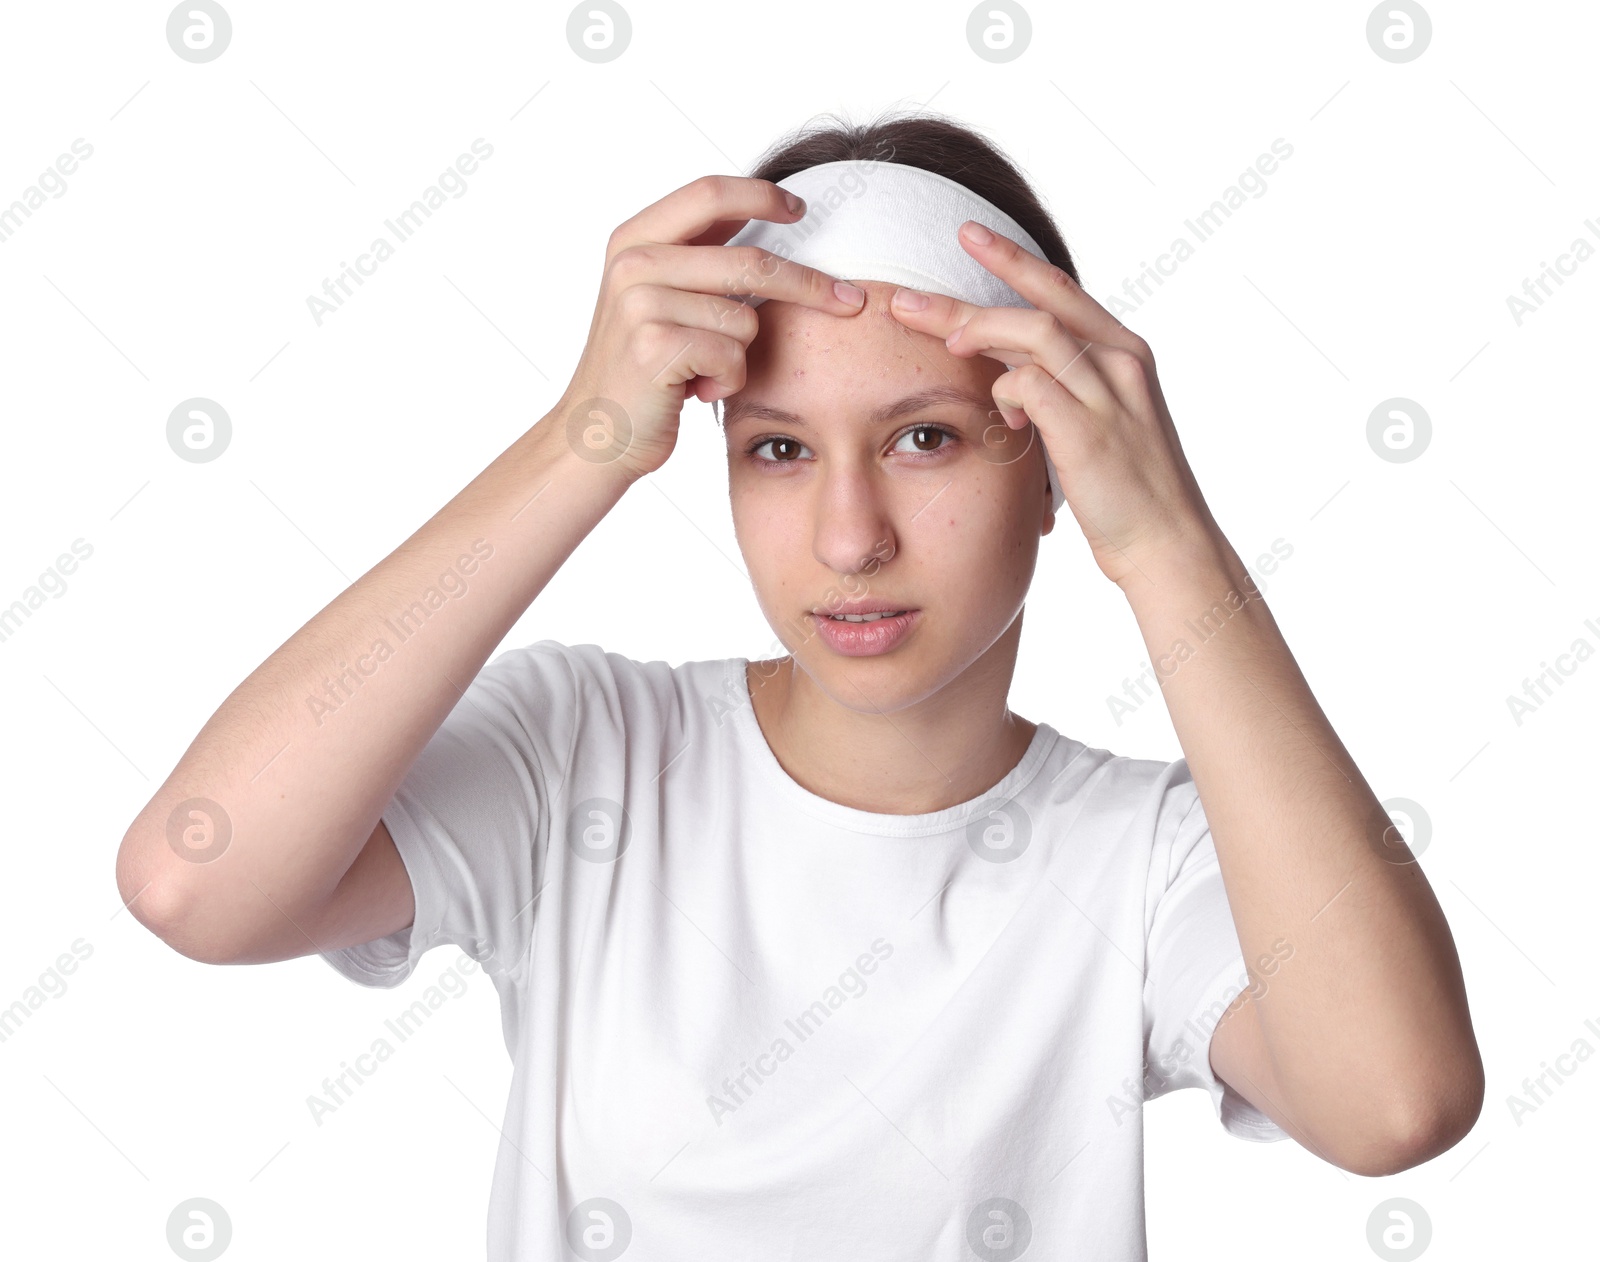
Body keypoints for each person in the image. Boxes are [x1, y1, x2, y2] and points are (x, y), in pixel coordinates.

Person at [115, 108, 1484, 1260]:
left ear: (1057, 457)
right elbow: (195, 877)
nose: (849, 537)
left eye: (927, 437)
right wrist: (581, 440)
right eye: (776, 450)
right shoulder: (588, 756)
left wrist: (1170, 541)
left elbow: (1396, 1101)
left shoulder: (1151, 859)